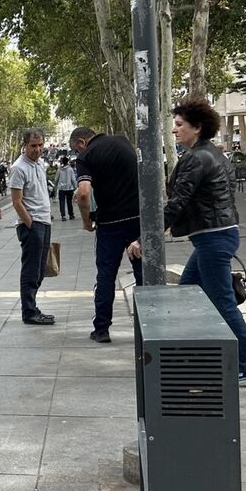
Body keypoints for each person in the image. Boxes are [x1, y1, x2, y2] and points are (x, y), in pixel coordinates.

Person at [132, 99, 246, 386]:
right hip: (216, 236)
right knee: (187, 294)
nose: (175, 129)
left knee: (222, 302)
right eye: (174, 124)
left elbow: (178, 201)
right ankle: (196, 357)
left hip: (213, 238)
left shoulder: (195, 158)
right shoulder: (213, 154)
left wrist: (148, 237)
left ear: (197, 128)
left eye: (180, 125)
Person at [69, 126, 144, 343]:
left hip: (109, 224)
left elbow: (84, 193)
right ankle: (148, 328)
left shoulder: (86, 156)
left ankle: (101, 329)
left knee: (105, 277)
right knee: (142, 275)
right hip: (137, 220)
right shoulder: (123, 141)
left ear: (82, 142)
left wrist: (86, 221)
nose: (77, 153)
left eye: (76, 149)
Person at [9, 128, 55, 325]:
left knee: (40, 269)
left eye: (40, 145)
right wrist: (30, 223)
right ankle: (29, 312)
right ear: (24, 146)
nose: (37, 149)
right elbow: (16, 201)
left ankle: (33, 307)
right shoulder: (19, 168)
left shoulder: (40, 164)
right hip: (32, 225)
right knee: (30, 270)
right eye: (33, 146)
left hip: (44, 222)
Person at [55, 156, 77, 221]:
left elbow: (56, 179)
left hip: (61, 189)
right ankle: (71, 215)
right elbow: (73, 179)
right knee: (69, 202)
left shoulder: (59, 170)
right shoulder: (70, 169)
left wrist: (55, 187)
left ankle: (63, 216)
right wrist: (76, 187)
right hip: (69, 188)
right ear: (67, 162)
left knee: (62, 202)